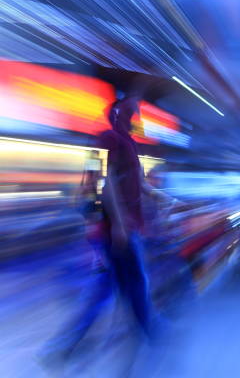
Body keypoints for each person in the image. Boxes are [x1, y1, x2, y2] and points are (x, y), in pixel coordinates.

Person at [41, 94, 169, 367]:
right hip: (114, 231)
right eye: (131, 108)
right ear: (118, 111)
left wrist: (159, 195)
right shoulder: (108, 139)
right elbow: (105, 181)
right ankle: (149, 332)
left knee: (112, 288)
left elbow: (136, 182)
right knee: (130, 285)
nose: (137, 113)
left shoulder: (129, 143)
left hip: (122, 229)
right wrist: (120, 224)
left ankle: (65, 346)